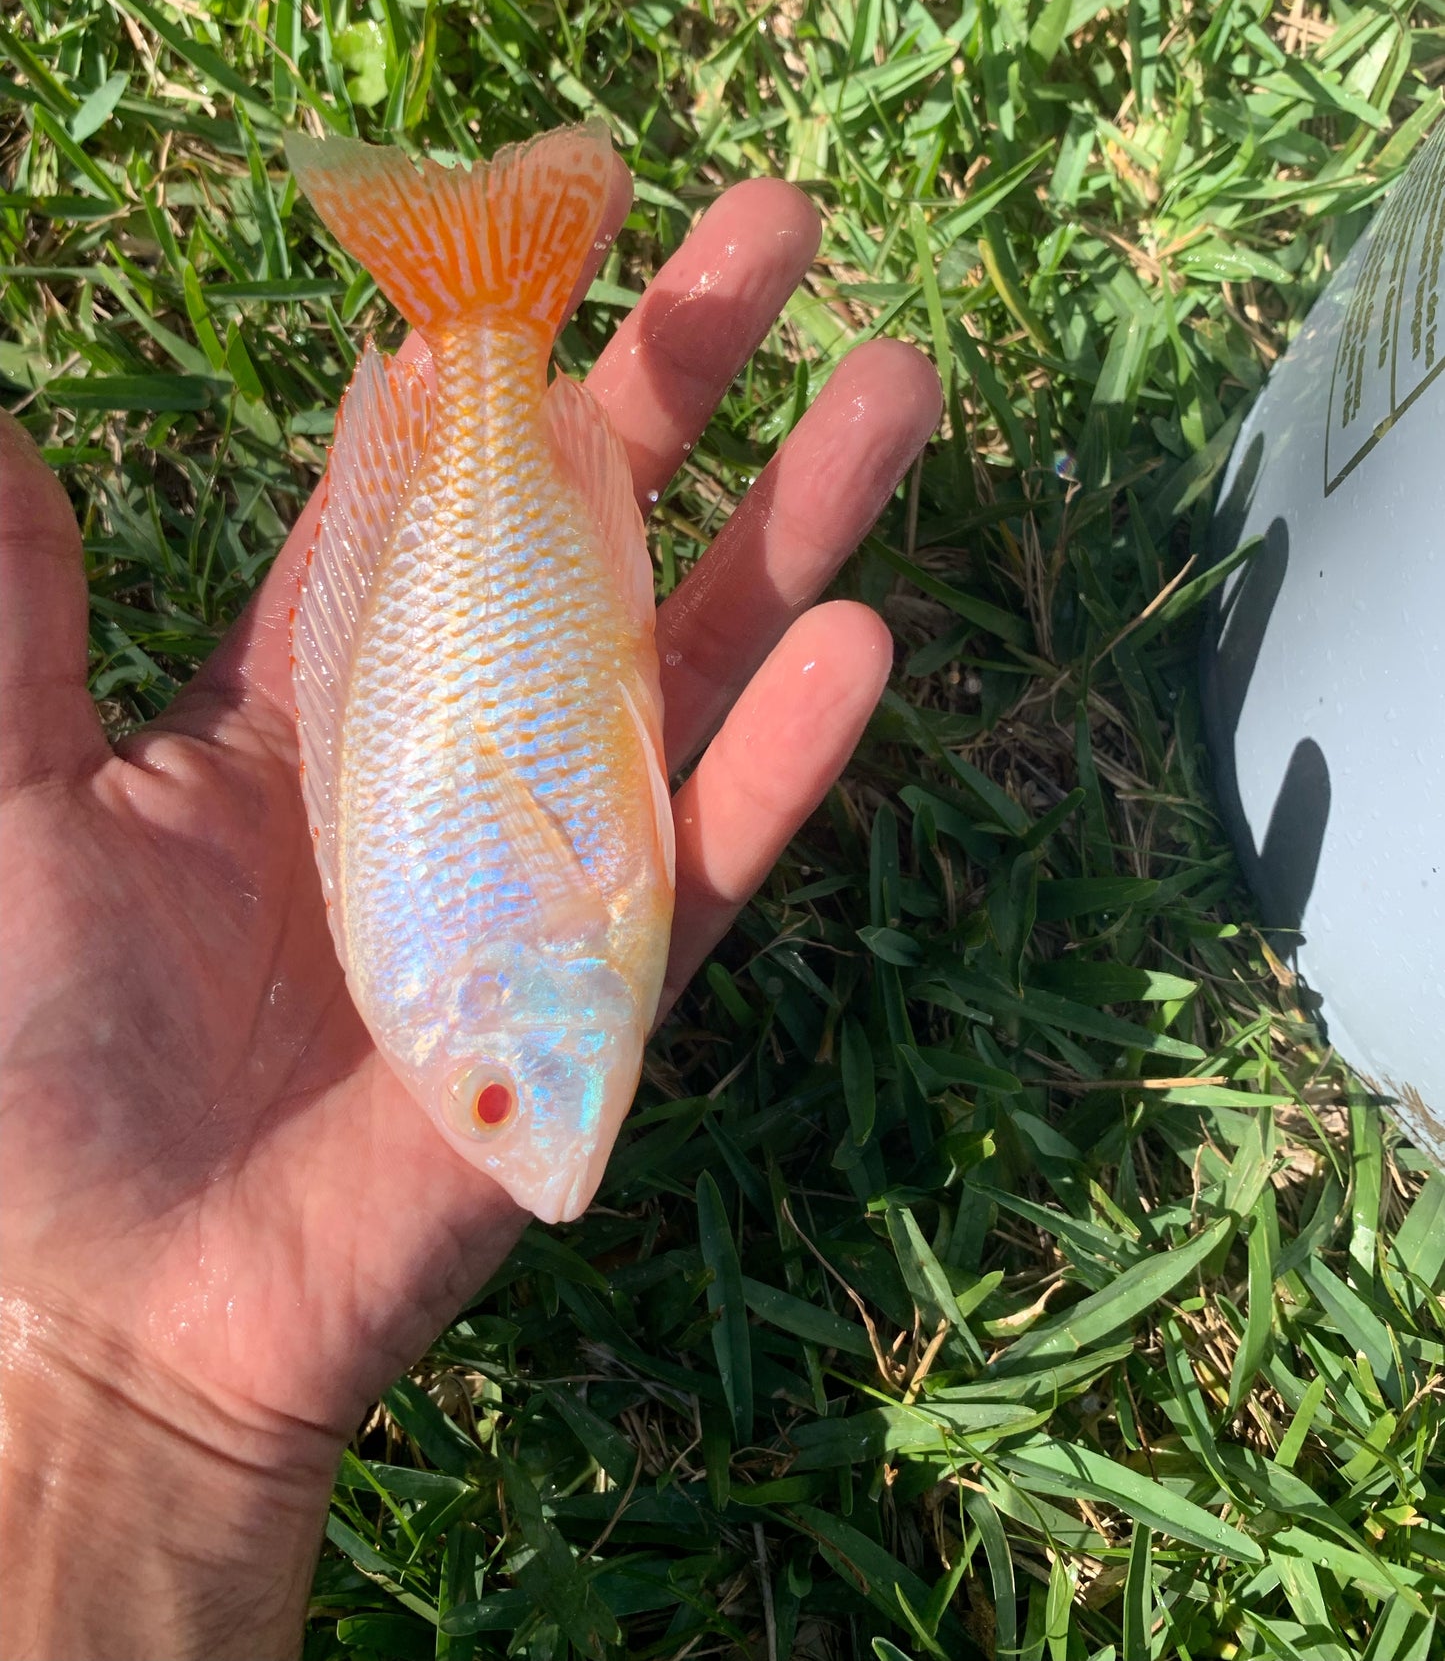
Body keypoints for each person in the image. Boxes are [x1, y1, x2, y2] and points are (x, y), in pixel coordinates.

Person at [0, 162, 940, 1661]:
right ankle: (491, 317)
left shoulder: (506, 962)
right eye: (500, 1096)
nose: (539, 1154)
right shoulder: (473, 974)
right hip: (512, 629)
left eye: (500, 1087)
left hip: (481, 635)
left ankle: (484, 312)